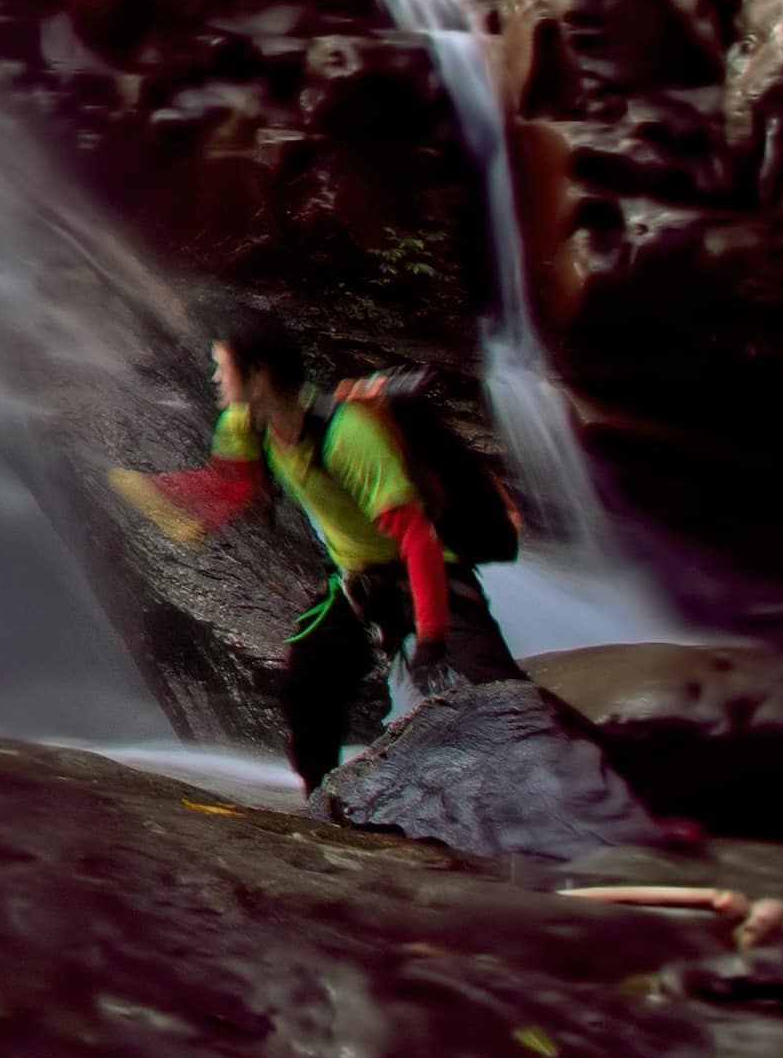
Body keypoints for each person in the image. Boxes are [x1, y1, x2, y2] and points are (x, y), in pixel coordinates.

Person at [114, 314, 513, 784]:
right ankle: (325, 801)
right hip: (358, 583)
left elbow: (416, 537)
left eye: (223, 366)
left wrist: (431, 638)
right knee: (307, 690)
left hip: (430, 575)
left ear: (258, 375)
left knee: (501, 696)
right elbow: (231, 485)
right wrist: (148, 490)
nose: (215, 378)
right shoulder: (247, 424)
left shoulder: (348, 436)